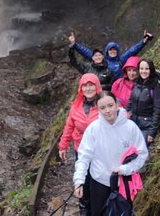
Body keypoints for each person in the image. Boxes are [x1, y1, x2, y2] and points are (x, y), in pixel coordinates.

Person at [72, 91, 148, 216]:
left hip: (123, 181)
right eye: (102, 108)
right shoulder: (93, 129)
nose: (107, 110)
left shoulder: (131, 127)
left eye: (110, 105)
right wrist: (79, 181)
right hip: (99, 181)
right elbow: (84, 157)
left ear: (117, 105)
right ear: (98, 109)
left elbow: (142, 154)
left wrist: (126, 169)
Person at [58, 73, 102, 216]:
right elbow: (69, 126)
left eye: (91, 85)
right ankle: (84, 210)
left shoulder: (104, 104)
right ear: (81, 88)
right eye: (85, 86)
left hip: (100, 151)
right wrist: (63, 145)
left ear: (97, 86)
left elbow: (118, 117)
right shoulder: (76, 106)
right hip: (81, 149)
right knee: (83, 180)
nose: (88, 89)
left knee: (98, 182)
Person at [72, 30, 153, 79]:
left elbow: (132, 50)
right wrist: (75, 45)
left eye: (115, 50)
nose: (113, 51)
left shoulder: (120, 60)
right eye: (110, 50)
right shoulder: (102, 60)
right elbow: (87, 52)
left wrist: (143, 42)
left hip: (118, 88)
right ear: (107, 51)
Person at [127, 58, 160, 146]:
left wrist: (152, 132)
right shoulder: (137, 83)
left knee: (141, 152)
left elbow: (157, 111)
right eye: (141, 69)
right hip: (134, 123)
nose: (143, 71)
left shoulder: (156, 86)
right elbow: (131, 101)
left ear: (151, 70)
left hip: (146, 126)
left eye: (146, 69)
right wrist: (126, 114)